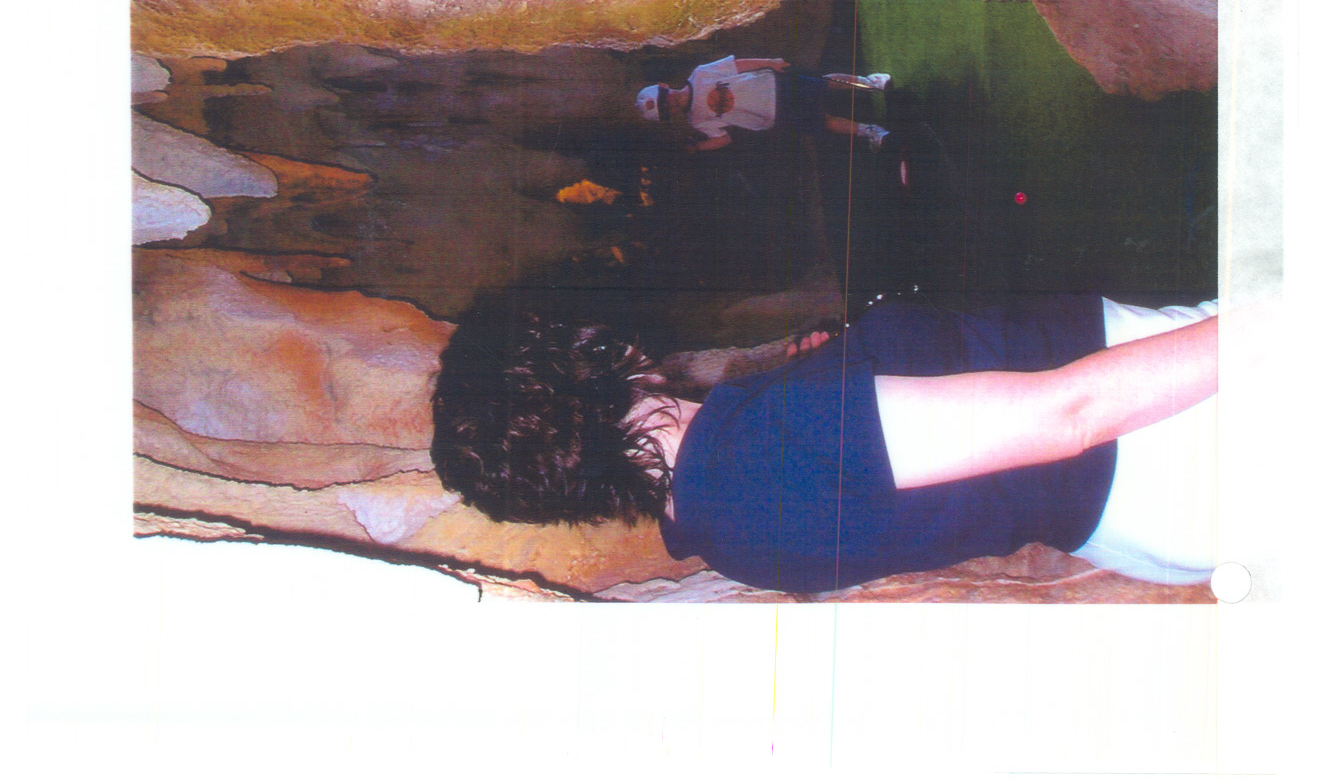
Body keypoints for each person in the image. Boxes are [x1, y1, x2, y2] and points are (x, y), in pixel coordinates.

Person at [429, 290, 1220, 594]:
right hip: (1173, 433)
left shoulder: (720, 530)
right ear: (575, 366)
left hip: (1139, 502)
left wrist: (834, 369)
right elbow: (1068, 413)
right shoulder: (765, 445)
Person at [634, 54, 894, 152]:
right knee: (824, 122)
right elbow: (723, 139)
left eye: (665, 99)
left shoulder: (701, 74)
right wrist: (700, 147)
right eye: (666, 110)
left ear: (664, 86)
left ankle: (870, 83)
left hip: (773, 84)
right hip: (772, 115)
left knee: (825, 83)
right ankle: (871, 131)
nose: (671, 104)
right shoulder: (697, 120)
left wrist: (769, 62)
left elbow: (738, 65)